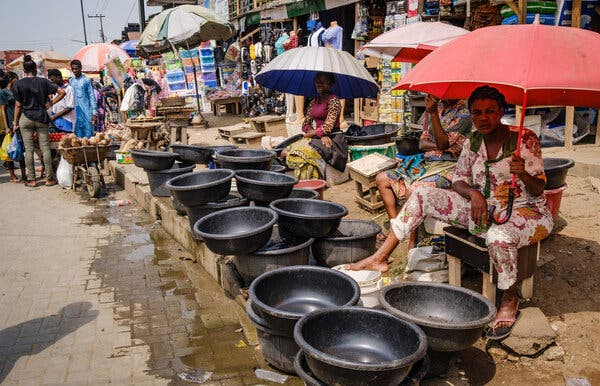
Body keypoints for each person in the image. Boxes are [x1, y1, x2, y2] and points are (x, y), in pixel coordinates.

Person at [350, 86, 553, 339]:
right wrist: (474, 194)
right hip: (484, 208)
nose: (483, 118)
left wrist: (522, 172)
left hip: (526, 211)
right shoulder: (473, 141)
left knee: (498, 237)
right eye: (477, 112)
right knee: (422, 194)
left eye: (490, 111)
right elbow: (458, 180)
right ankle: (380, 257)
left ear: (501, 111)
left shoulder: (525, 139)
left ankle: (509, 298)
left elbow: (538, 189)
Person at [376, 95, 472, 240]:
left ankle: (412, 243)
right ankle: (395, 229)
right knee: (382, 179)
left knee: (414, 191)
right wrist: (440, 145)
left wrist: (440, 141)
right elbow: (422, 144)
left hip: (450, 167)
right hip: (426, 163)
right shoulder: (437, 107)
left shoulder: (464, 113)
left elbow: (443, 143)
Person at [282, 72, 348, 180]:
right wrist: (317, 134)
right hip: (318, 137)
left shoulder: (334, 100)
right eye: (317, 82)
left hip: (333, 139)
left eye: (323, 82)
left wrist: (311, 134)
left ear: (330, 84)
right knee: (284, 153)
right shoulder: (314, 101)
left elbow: (328, 127)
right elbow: (306, 124)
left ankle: (312, 181)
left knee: (299, 154)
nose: (319, 85)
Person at [12, 55, 65, 187]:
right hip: (41, 116)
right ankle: (49, 179)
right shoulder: (43, 82)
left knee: (29, 149)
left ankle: (32, 180)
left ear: (24, 71)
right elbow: (62, 92)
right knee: (45, 148)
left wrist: (14, 123)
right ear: (35, 70)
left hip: (26, 118)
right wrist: (51, 103)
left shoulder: (18, 84)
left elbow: (18, 105)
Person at [0, 71, 27, 183]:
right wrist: (7, 127)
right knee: (10, 150)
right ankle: (12, 175)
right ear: (11, 79)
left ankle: (24, 174)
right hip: (10, 125)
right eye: (16, 78)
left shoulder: (17, 91)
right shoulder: (3, 92)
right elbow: (3, 110)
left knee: (21, 149)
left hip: (19, 123)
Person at [69, 59, 97, 138]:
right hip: (75, 113)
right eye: (73, 69)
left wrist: (94, 113)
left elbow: (92, 97)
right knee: (77, 137)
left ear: (80, 68)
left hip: (86, 112)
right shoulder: (71, 81)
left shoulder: (86, 80)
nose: (74, 71)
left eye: (76, 69)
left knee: (88, 135)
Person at [47, 69, 76, 133]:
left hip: (66, 121)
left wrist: (54, 117)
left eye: (52, 80)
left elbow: (69, 108)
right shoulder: (55, 89)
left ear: (58, 77)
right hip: (55, 122)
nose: (52, 82)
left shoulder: (69, 89)